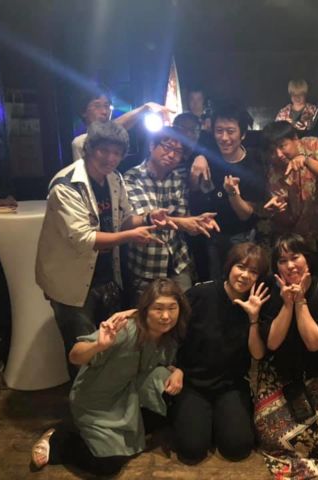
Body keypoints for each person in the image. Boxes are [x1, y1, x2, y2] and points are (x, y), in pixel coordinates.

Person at [36, 121, 163, 378]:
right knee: (82, 351)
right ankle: (81, 399)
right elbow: (84, 238)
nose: (110, 158)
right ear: (89, 149)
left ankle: (105, 397)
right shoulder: (66, 185)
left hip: (105, 275)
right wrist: (129, 236)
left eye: (117, 153)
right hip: (71, 282)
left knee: (109, 345)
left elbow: (123, 219)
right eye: (104, 150)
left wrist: (148, 218)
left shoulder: (114, 178)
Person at [30, 278, 190, 475]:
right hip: (97, 400)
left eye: (172, 308)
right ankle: (60, 439)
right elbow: (75, 355)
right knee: (109, 466)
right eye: (158, 308)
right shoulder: (124, 330)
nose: (166, 316)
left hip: (127, 395)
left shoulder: (169, 337)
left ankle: (119, 431)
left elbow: (164, 364)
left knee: (166, 390)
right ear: (146, 309)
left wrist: (178, 372)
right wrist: (98, 346)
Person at [172, 242, 270, 464]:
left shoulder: (257, 303)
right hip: (193, 382)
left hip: (230, 384)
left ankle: (218, 419)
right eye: (240, 267)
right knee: (191, 451)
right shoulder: (201, 293)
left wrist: (254, 318)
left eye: (253, 271)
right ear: (229, 266)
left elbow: (257, 354)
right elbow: (170, 323)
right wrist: (174, 367)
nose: (245, 275)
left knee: (238, 448)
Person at [255, 234, 318, 479]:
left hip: (314, 371)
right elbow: (272, 342)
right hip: (277, 373)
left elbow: (314, 343)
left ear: (307, 259)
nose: (290, 265)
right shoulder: (268, 291)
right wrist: (287, 304)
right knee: (274, 439)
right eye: (282, 261)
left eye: (295, 257)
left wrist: (300, 300)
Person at [124, 127, 219, 301]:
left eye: (178, 151)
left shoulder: (179, 176)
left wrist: (197, 223)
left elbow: (183, 214)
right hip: (147, 264)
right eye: (167, 147)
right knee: (148, 315)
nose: (171, 154)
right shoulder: (132, 177)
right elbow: (145, 219)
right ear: (152, 146)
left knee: (185, 310)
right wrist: (185, 223)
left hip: (178, 261)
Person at [188, 103, 267, 279]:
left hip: (242, 238)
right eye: (219, 131)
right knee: (214, 283)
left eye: (231, 131)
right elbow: (194, 192)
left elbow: (246, 215)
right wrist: (198, 159)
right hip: (209, 236)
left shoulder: (254, 164)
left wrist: (233, 193)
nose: (224, 138)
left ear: (243, 134)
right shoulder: (207, 155)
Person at [261, 120, 318, 277]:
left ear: (295, 139)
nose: (278, 154)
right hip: (292, 240)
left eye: (282, 146)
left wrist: (306, 160)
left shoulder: (312, 144)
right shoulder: (273, 170)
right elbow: (285, 218)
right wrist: (276, 210)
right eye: (272, 150)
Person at [71, 87, 172, 161]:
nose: (104, 112)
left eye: (107, 106)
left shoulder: (117, 139)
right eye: (97, 106)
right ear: (83, 112)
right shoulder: (80, 142)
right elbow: (105, 131)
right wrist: (144, 108)